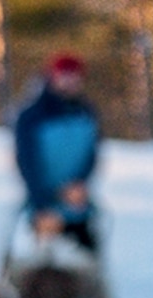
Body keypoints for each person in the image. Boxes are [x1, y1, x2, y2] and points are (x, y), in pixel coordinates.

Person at [12, 52, 101, 247]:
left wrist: (79, 185)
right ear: (52, 76)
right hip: (43, 211)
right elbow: (27, 163)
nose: (69, 81)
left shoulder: (87, 113)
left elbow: (92, 155)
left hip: (78, 207)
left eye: (74, 76)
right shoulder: (31, 116)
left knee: (85, 268)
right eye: (64, 75)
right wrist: (42, 205)